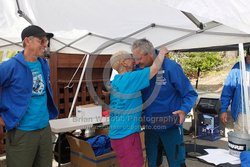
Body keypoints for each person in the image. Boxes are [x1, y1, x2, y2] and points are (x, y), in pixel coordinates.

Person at [132, 39, 198, 167]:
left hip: (171, 125)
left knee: (177, 162)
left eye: (139, 58)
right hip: (150, 126)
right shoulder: (138, 69)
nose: (136, 62)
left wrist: (184, 110)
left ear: (150, 54)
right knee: (153, 162)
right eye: (134, 58)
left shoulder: (171, 67)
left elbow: (190, 94)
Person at [0, 25, 58, 167]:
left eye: (47, 41)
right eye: (42, 41)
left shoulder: (44, 64)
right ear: (27, 41)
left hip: (44, 129)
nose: (46, 44)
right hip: (22, 132)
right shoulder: (10, 66)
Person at [109, 47, 168, 167]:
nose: (135, 62)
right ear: (123, 62)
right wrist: (162, 53)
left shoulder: (116, 80)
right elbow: (154, 69)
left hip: (119, 134)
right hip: (126, 135)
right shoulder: (129, 78)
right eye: (131, 59)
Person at [220, 48, 250, 133]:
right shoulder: (238, 68)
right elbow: (227, 90)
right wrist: (224, 110)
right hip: (243, 113)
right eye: (249, 55)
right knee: (243, 142)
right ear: (246, 54)